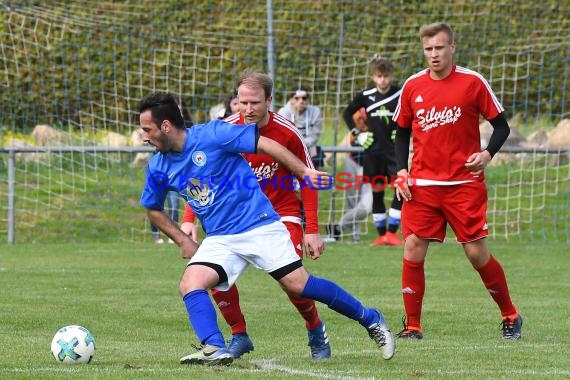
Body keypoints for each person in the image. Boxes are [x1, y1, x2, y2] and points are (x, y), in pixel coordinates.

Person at [139, 91, 395, 366]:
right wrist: (181, 239)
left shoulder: (213, 134)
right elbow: (152, 207)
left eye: (147, 129)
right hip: (221, 238)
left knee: (298, 285)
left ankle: (371, 319)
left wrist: (301, 172)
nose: (143, 136)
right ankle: (215, 346)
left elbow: (264, 144)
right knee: (190, 284)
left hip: (259, 225)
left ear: (166, 126)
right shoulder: (158, 166)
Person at [180, 72, 332, 360]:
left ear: (270, 101)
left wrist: (312, 229)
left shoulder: (288, 132)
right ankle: (239, 335)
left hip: (280, 215)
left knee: (292, 282)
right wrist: (189, 218)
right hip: (234, 220)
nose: (247, 109)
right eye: (242, 102)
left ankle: (315, 328)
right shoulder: (222, 130)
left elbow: (308, 179)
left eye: (255, 103)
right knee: (213, 276)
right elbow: (200, 175)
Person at [392, 22, 522, 340]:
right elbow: (402, 131)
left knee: (477, 253)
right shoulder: (412, 86)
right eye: (428, 49)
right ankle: (413, 326)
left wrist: (488, 154)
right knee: (412, 248)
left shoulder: (473, 82)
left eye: (439, 47)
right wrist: (401, 171)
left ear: (452, 47)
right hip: (422, 184)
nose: (434, 54)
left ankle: (510, 314)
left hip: (464, 184)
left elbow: (501, 126)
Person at [342, 57, 403, 247]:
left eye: (386, 76)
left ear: (391, 76)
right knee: (377, 191)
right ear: (373, 77)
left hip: (395, 152)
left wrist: (403, 130)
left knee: (400, 190)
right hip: (373, 152)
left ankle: (393, 234)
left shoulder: (400, 94)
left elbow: (412, 114)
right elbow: (347, 113)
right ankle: (382, 235)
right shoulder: (365, 95)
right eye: (379, 76)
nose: (383, 80)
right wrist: (357, 133)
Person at [278, 86, 324, 167]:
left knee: (315, 176)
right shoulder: (283, 113)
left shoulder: (315, 112)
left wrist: (303, 145)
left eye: (304, 98)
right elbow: (283, 136)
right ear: (291, 100)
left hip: (310, 148)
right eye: (297, 98)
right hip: (289, 150)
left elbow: (315, 135)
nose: (301, 101)